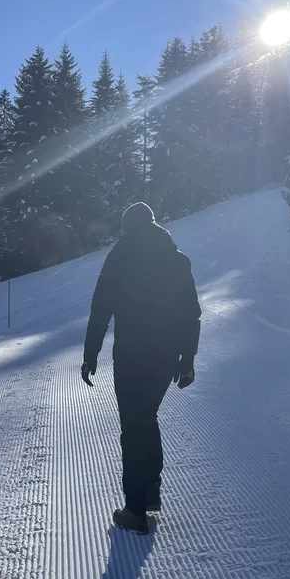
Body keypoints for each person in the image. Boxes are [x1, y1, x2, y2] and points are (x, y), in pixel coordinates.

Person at [82, 202, 201, 534]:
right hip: (165, 357)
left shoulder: (118, 258)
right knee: (147, 417)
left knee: (134, 427)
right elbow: (191, 314)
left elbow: (99, 311)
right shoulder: (178, 260)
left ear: (126, 228)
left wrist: (90, 355)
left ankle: (135, 509)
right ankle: (150, 494)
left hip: (132, 356)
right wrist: (187, 360)